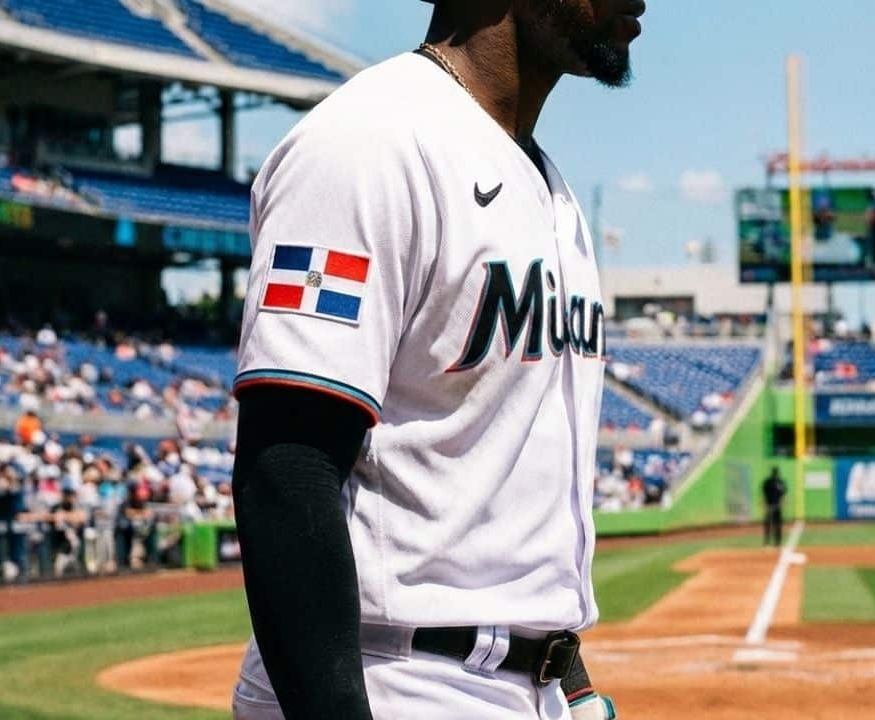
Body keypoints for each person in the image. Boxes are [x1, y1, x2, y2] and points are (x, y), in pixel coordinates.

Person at [229, 1, 644, 718]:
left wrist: (567, 682)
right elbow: (287, 467)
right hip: (395, 678)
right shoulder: (368, 143)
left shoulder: (547, 184)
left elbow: (503, 500)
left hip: (518, 687)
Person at [762, 467, 787, 547]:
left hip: (770, 505)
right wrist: (782, 503)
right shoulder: (780, 482)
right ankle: (776, 542)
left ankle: (768, 542)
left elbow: (764, 494)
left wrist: (765, 504)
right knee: (776, 524)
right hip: (776, 505)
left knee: (769, 524)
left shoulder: (768, 482)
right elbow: (783, 495)